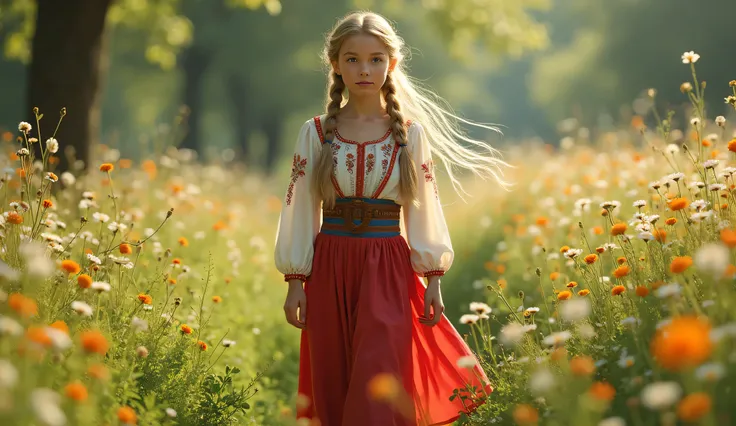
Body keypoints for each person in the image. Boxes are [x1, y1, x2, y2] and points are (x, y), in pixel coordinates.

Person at [274, 10, 509, 426]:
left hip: (388, 270)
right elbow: (299, 208)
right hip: (329, 268)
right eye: (352, 59)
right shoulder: (315, 132)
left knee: (379, 383)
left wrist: (433, 276)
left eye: (375, 59)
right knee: (334, 382)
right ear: (335, 65)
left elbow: (425, 207)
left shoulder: (410, 134)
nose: (364, 69)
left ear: (391, 64)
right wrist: (296, 281)